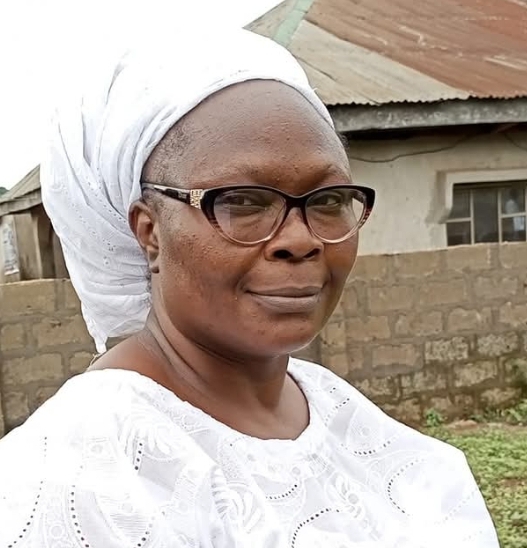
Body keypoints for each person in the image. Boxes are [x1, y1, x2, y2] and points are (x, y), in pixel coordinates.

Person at [0, 29, 499, 547]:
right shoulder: (77, 484)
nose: (301, 240)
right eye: (242, 201)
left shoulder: (348, 422)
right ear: (149, 232)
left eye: (329, 200)